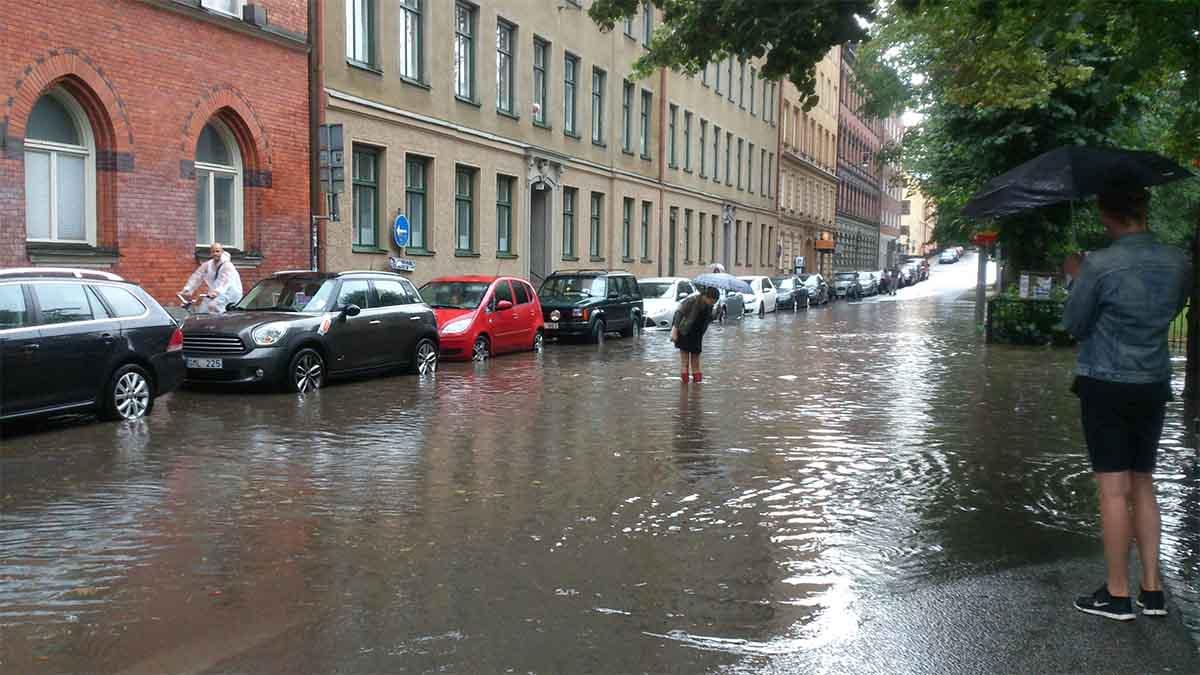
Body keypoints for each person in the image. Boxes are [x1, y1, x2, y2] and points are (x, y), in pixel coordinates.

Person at [1062, 187, 1190, 621]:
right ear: (1145, 209)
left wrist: (1079, 277)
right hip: (1153, 382)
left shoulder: (1099, 264)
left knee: (1113, 490)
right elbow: (1173, 307)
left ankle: (1117, 595)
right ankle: (1152, 591)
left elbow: (1075, 324)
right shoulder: (1178, 262)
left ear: (1104, 214)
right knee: (1143, 483)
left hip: (1105, 384)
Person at [671, 286, 719, 383]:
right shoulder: (691, 301)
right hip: (685, 332)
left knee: (696, 362)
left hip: (697, 335)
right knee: (685, 362)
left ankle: (696, 387)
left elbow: (709, 319)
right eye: (712, 301)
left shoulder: (709, 306)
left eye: (714, 302)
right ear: (706, 297)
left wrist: (717, 312)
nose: (712, 303)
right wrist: (674, 331)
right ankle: (685, 387)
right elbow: (678, 313)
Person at [181, 242, 244, 314]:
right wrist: (188, 289)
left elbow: (224, 281)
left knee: (213, 306)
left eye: (217, 251)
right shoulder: (208, 264)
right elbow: (197, 276)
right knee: (203, 310)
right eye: (213, 252)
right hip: (215, 292)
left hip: (230, 293)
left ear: (222, 252)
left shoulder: (227, 266)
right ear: (210, 253)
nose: (215, 254)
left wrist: (216, 292)